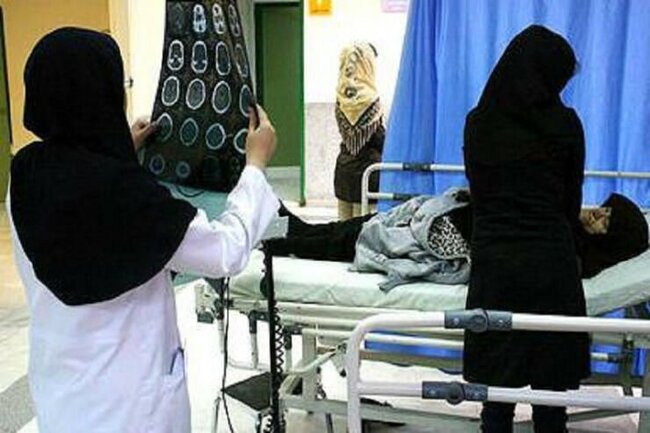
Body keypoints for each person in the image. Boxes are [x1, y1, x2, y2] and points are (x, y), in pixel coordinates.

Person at [7, 28, 279, 433]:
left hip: (63, 395)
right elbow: (225, 250)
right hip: (132, 408)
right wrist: (255, 165)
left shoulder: (25, 175)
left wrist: (121, 151)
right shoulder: (129, 197)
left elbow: (84, 202)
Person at [462, 25, 588, 432]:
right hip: (551, 266)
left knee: (496, 396)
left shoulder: (478, 123)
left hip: (495, 267)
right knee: (551, 399)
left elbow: (479, 196)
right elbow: (570, 202)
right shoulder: (565, 124)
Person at [270, 191, 647, 284]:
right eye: (604, 209)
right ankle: (287, 228)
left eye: (606, 221)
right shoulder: (567, 222)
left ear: (609, 242)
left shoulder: (571, 254)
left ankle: (281, 240)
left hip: (444, 239)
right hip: (444, 216)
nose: (597, 213)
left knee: (352, 240)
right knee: (356, 227)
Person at [334, 42, 385, 220]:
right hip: (367, 174)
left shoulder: (341, 97)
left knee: (343, 226)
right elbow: (379, 139)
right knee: (363, 228)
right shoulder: (371, 99)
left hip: (343, 172)